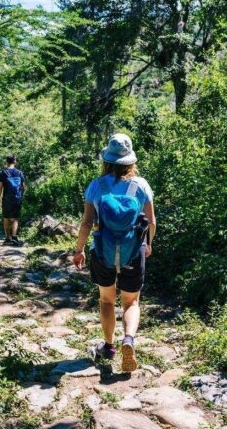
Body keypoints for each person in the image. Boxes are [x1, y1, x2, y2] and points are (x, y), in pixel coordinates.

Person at [73, 134, 156, 372]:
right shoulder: (141, 185)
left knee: (107, 300)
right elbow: (151, 221)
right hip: (133, 250)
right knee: (131, 302)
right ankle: (128, 340)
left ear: (106, 159)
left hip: (103, 251)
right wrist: (147, 244)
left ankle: (109, 346)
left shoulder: (96, 186)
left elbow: (87, 223)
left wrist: (79, 250)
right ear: (130, 160)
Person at [0, 154, 27, 246]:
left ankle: (7, 238)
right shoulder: (19, 173)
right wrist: (20, 195)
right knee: (15, 218)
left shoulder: (3, 173)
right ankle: (14, 238)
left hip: (7, 198)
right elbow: (24, 187)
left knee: (6, 218)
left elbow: (0, 187)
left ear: (7, 162)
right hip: (17, 198)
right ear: (15, 161)